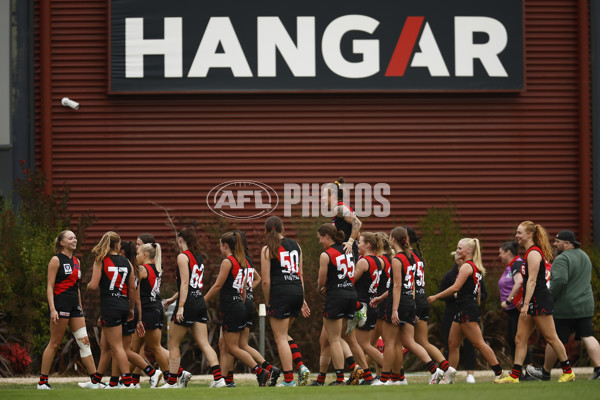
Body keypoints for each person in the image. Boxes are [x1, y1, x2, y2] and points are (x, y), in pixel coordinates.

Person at [495, 221, 574, 383]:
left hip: (539, 300)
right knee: (519, 338)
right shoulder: (529, 253)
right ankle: (515, 376)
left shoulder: (533, 253)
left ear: (529, 235)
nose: (516, 236)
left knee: (551, 337)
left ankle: (568, 371)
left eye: (519, 233)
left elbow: (531, 281)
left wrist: (525, 304)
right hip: (532, 301)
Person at [372, 227, 444, 386]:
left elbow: (397, 286)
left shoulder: (397, 259)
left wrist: (395, 310)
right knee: (409, 341)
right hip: (410, 301)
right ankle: (435, 370)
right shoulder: (412, 257)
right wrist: (410, 306)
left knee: (390, 342)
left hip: (399, 302)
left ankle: (384, 379)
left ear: (392, 240)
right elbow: (410, 285)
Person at [527, 230, 600, 381]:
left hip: (566, 307)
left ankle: (545, 372)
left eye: (557, 241)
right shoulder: (584, 256)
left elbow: (559, 281)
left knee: (554, 339)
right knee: (588, 335)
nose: (554, 244)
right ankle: (599, 369)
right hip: (585, 305)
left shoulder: (562, 259)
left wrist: (550, 298)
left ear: (567, 243)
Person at [429, 238, 504, 382]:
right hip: (463, 308)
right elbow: (479, 293)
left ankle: (499, 372)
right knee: (452, 344)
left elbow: (455, 288)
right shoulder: (473, 267)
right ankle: (449, 378)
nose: (457, 251)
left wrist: (436, 296)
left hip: (466, 309)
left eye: (459, 248)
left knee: (478, 343)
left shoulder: (466, 267)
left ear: (469, 251)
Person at [160, 227, 225, 388]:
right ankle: (219, 379)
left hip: (188, 304)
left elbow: (184, 283)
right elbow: (190, 285)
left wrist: (180, 306)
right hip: (199, 302)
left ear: (180, 239)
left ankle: (172, 382)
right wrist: (172, 298)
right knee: (204, 343)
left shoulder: (183, 257)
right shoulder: (198, 257)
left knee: (174, 344)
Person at [204, 231, 270, 387]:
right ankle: (228, 381)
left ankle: (260, 372)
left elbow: (218, 285)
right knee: (232, 346)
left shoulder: (228, 261)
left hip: (232, 308)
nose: (219, 248)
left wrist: (203, 300)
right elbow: (245, 288)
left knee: (233, 348)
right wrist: (241, 301)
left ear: (225, 246)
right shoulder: (244, 261)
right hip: (240, 306)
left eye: (220, 245)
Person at [38, 230, 99, 390]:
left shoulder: (77, 261)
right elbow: (50, 287)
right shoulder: (55, 260)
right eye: (70, 238)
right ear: (62, 242)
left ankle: (95, 381)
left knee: (84, 342)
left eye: (75, 237)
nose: (74, 239)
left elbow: (76, 288)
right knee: (55, 343)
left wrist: (80, 308)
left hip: (75, 308)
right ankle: (42, 382)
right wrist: (53, 309)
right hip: (60, 306)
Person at [220, 230, 280, 388]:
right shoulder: (247, 260)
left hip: (239, 303)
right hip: (247, 302)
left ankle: (229, 380)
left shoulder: (236, 260)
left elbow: (223, 285)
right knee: (240, 345)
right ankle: (268, 368)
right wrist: (247, 289)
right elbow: (257, 278)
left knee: (230, 346)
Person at [261, 216, 309, 386]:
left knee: (280, 337)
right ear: (282, 229)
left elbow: (266, 281)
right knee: (284, 334)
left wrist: (268, 302)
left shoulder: (267, 249)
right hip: (296, 291)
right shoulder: (296, 245)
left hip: (280, 293)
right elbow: (300, 274)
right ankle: (301, 366)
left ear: (266, 231)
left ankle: (289, 380)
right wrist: (302, 298)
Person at [406, 227, 455, 384]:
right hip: (422, 298)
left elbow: (409, 282)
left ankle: (394, 376)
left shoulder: (407, 255)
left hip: (413, 300)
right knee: (422, 341)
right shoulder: (417, 255)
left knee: (402, 340)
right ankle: (447, 368)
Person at [87, 231, 136, 388]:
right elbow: (132, 288)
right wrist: (131, 309)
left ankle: (127, 382)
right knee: (107, 345)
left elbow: (93, 285)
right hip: (123, 305)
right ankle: (96, 381)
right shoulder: (127, 262)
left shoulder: (101, 260)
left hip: (110, 306)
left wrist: (85, 285)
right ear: (118, 244)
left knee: (117, 347)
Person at [316, 223, 358, 385]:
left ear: (327, 236)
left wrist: (325, 285)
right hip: (351, 295)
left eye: (320, 238)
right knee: (338, 337)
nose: (320, 241)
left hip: (336, 297)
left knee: (333, 339)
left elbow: (321, 281)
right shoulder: (348, 250)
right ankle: (354, 368)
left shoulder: (326, 254)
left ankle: (340, 378)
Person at [438, 252, 484, 383]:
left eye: (460, 251)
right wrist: (453, 295)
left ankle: (474, 373)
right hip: (453, 313)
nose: (458, 259)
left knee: (475, 343)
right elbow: (445, 292)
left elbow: (480, 292)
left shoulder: (473, 269)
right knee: (452, 344)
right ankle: (449, 376)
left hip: (468, 311)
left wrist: (474, 303)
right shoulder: (450, 275)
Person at [498, 241, 534, 379]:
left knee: (519, 339)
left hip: (518, 309)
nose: (499, 256)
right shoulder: (511, 265)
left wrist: (508, 300)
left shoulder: (517, 263)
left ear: (508, 252)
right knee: (513, 339)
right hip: (512, 311)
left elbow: (519, 282)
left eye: (500, 253)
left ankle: (528, 371)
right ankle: (519, 372)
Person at [352, 232, 383, 384]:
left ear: (368, 245)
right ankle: (364, 374)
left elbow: (351, 281)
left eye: (360, 242)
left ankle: (391, 369)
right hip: (372, 304)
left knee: (362, 345)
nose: (358, 245)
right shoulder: (379, 261)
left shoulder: (364, 262)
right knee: (364, 344)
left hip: (362, 307)